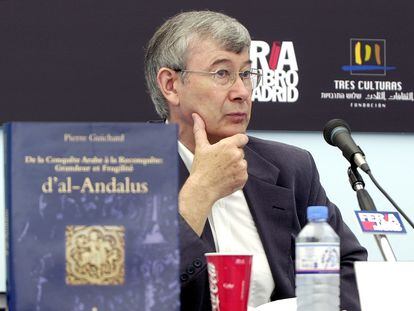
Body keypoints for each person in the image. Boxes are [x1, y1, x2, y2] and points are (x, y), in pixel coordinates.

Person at [144, 10, 367, 311]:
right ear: (171, 85)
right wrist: (200, 191)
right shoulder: (124, 172)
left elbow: (347, 266)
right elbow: (127, 289)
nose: (241, 92)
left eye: (246, 74)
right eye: (222, 74)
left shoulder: (291, 168)